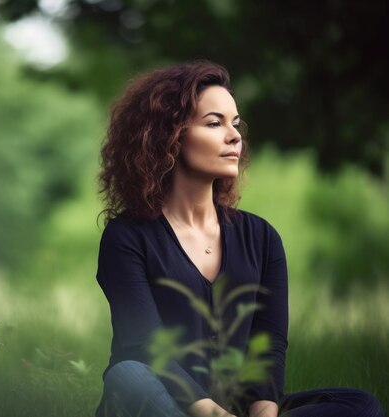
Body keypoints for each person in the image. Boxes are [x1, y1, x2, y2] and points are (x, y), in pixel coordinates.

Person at [94, 61, 384, 417]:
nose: (234, 136)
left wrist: (264, 411)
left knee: (359, 404)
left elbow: (269, 345)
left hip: (239, 407)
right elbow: (145, 346)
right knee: (128, 375)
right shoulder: (127, 238)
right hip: (164, 402)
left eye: (236, 124)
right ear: (166, 135)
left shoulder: (261, 237)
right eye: (214, 123)